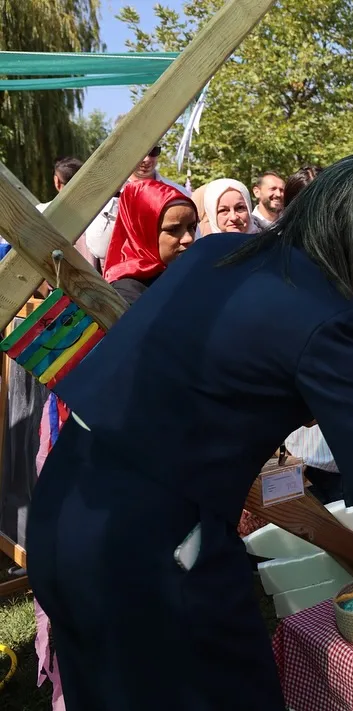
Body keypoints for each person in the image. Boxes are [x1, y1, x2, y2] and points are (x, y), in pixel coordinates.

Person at [25, 155, 353, 710]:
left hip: (65, 502)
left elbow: (214, 372)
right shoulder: (327, 317)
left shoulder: (219, 252)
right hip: (147, 541)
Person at [31, 177, 197, 711]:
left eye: (193, 226)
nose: (190, 238)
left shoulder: (171, 285)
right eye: (176, 229)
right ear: (143, 229)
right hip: (116, 463)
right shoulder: (121, 297)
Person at [84, 144, 188, 260]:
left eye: (153, 151)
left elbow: (194, 241)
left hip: (171, 272)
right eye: (140, 151)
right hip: (124, 272)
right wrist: (116, 199)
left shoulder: (179, 192)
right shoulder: (106, 194)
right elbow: (99, 250)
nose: (146, 159)